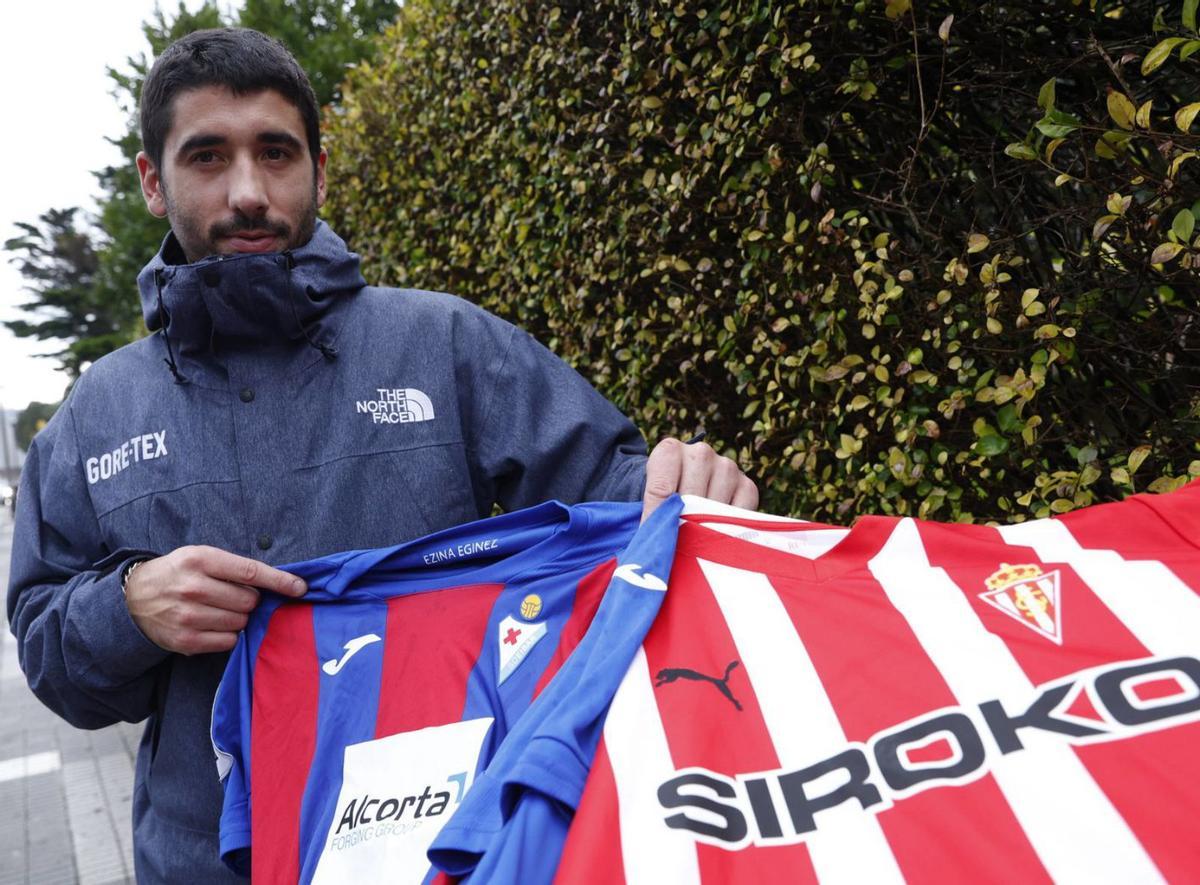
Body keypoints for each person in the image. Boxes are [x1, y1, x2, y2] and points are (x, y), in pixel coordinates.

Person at [6, 27, 756, 883]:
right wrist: (128, 608)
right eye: (208, 156)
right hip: (200, 861)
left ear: (318, 170)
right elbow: (46, 646)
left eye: (277, 153)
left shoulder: (447, 342)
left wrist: (686, 488)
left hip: (450, 851)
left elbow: (623, 501)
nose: (248, 190)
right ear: (152, 179)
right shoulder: (94, 413)